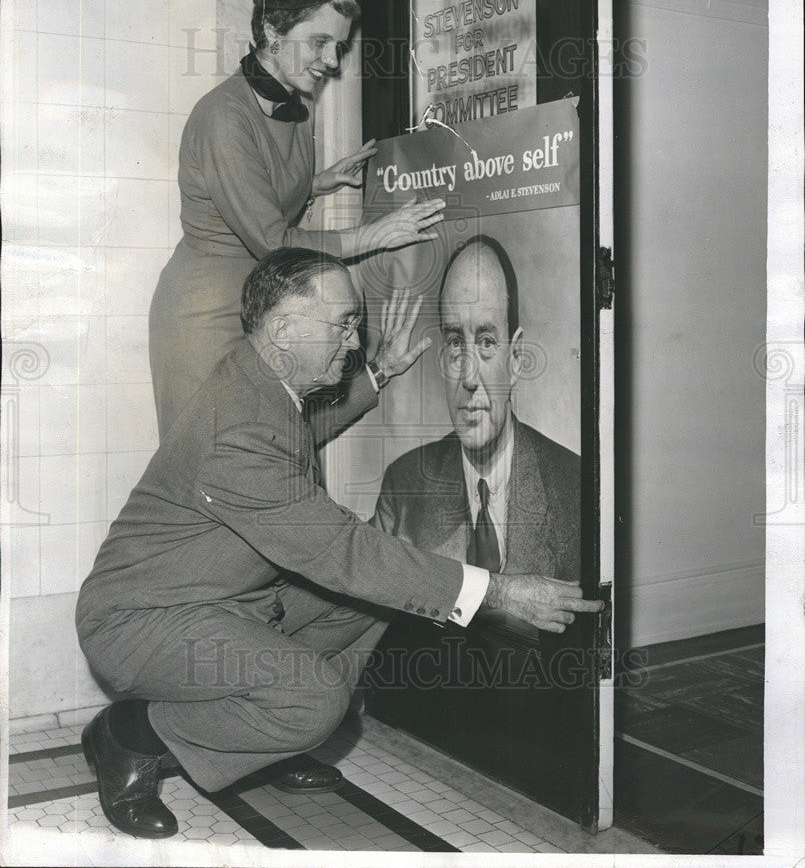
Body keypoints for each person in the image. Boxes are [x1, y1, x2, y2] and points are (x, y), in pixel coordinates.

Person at [76, 247, 601, 839]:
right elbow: (340, 550)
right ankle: (129, 736)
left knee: (377, 599)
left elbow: (292, 436)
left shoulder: (257, 379)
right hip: (141, 620)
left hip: (219, 598)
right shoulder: (241, 431)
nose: (355, 343)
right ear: (283, 328)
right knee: (315, 700)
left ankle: (265, 744)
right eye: (344, 325)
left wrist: (377, 378)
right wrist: (498, 591)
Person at [149, 0, 445, 437]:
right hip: (206, 315)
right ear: (272, 32)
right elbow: (274, 242)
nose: (332, 61)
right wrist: (374, 235)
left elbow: (256, 186)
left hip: (263, 305)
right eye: (320, 42)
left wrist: (317, 182)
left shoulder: (300, 103)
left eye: (340, 46)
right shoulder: (222, 116)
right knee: (213, 460)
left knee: (271, 446)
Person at [373, 234, 580, 580]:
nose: (468, 377)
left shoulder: (575, 488)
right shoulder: (403, 489)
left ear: (515, 359)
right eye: (455, 343)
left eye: (486, 342)